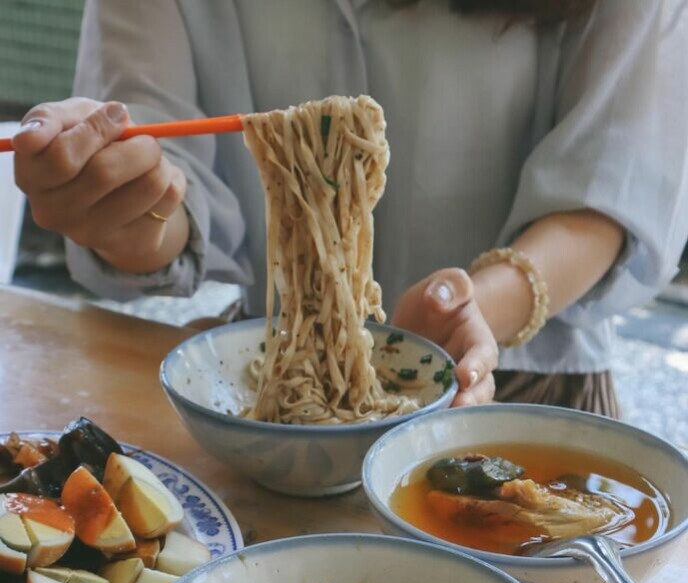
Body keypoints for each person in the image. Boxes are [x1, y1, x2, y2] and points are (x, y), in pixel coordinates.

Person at [12, 0, 688, 413]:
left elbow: (611, 180)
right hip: (275, 390)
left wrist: (475, 308)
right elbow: (166, 173)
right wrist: (121, 200)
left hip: (518, 393)